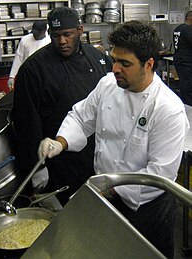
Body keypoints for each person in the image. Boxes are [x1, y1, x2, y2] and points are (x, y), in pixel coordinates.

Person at [38, 21, 190, 258]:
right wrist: (59, 142)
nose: (115, 68)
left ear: (149, 64)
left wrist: (108, 189)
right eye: (114, 59)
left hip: (145, 207)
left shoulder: (167, 109)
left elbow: (159, 175)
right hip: (106, 195)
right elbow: (81, 117)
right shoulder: (108, 84)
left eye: (125, 63)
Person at [11, 7, 112, 205]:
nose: (62, 41)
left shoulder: (98, 58)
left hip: (97, 154)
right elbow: (26, 123)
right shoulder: (33, 69)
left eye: (67, 34)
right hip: (58, 158)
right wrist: (37, 168)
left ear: (80, 30)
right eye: (56, 36)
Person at [7, 20, 51, 90]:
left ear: (44, 31)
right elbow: (19, 58)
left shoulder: (49, 42)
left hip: (44, 76)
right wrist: (12, 76)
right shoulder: (25, 40)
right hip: (28, 75)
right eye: (34, 33)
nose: (35, 35)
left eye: (38, 34)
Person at [173, 11, 192, 106]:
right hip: (187, 62)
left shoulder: (178, 28)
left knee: (184, 84)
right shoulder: (188, 30)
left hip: (178, 60)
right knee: (188, 86)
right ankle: (188, 106)